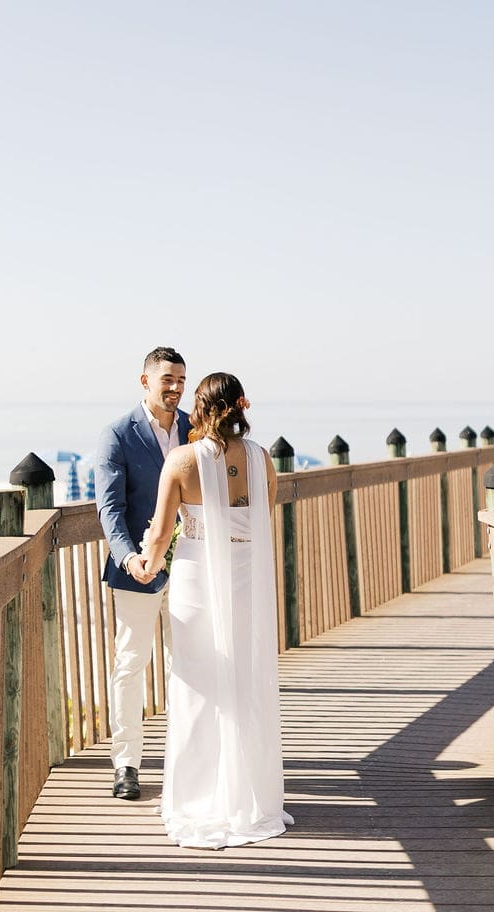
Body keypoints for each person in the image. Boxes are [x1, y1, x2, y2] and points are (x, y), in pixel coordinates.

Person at [142, 372, 293, 849]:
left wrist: (144, 563)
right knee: (244, 680)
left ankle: (198, 798)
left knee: (197, 686)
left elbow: (162, 535)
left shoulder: (180, 462)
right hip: (245, 577)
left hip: (195, 580)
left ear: (200, 410)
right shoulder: (261, 459)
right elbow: (262, 519)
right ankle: (247, 796)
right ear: (240, 407)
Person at [96, 346, 191, 801]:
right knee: (130, 665)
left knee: (187, 665)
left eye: (180, 381)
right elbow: (110, 507)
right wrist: (128, 557)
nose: (174, 388)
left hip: (191, 569)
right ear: (145, 381)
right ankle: (126, 764)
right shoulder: (117, 434)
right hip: (136, 569)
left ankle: (185, 758)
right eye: (166, 380)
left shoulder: (196, 428)